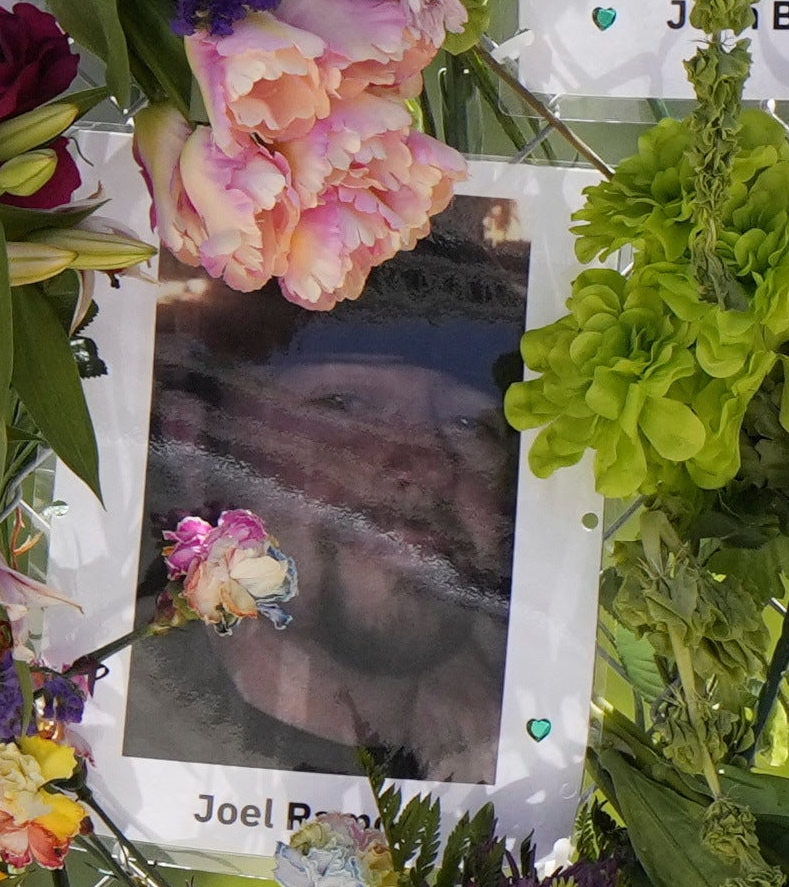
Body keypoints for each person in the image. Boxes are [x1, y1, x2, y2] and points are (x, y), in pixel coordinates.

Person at [126, 238, 530, 781]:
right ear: (194, 442)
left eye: (466, 423)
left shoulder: (544, 744)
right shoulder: (103, 729)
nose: (428, 467)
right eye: (344, 404)